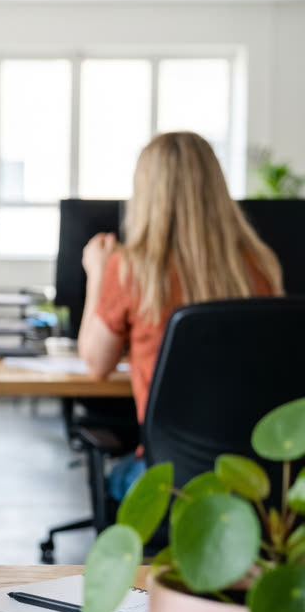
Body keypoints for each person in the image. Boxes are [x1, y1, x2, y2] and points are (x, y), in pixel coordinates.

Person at [79, 132, 282, 495]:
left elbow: (96, 364)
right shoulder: (261, 266)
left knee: (117, 477)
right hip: (251, 483)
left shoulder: (130, 270)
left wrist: (96, 273)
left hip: (169, 482)